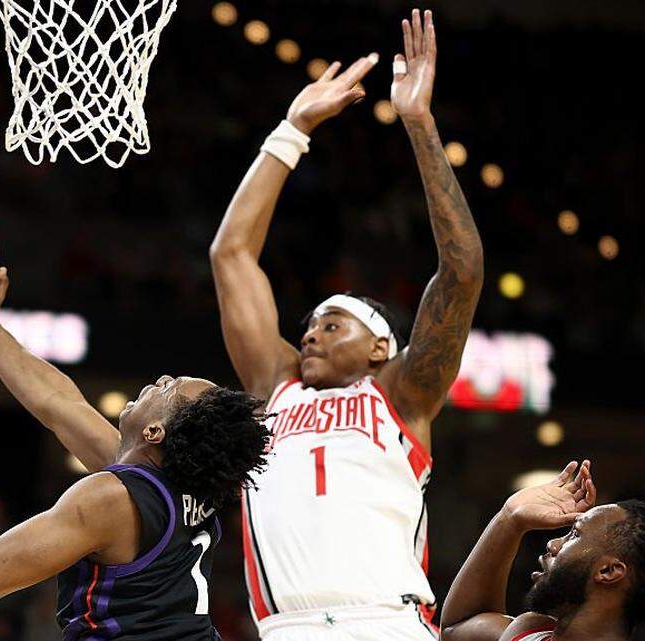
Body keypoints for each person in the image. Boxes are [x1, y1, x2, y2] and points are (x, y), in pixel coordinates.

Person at [207, 9, 482, 638]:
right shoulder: (274, 386)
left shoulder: (401, 395)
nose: (310, 334)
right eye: (310, 326)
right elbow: (231, 256)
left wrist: (419, 125)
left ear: (382, 344)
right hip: (285, 629)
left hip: (388, 622)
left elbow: (462, 271)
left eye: (333, 325)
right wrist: (292, 129)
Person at [0, 371, 270, 640]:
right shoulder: (188, 484)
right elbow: (59, 403)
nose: (163, 380)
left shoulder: (111, 498)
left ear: (154, 432)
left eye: (171, 390)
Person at [440, 461, 645, 641]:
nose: (552, 543)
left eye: (574, 534)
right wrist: (510, 519)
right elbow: (457, 628)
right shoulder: (531, 630)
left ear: (609, 571)